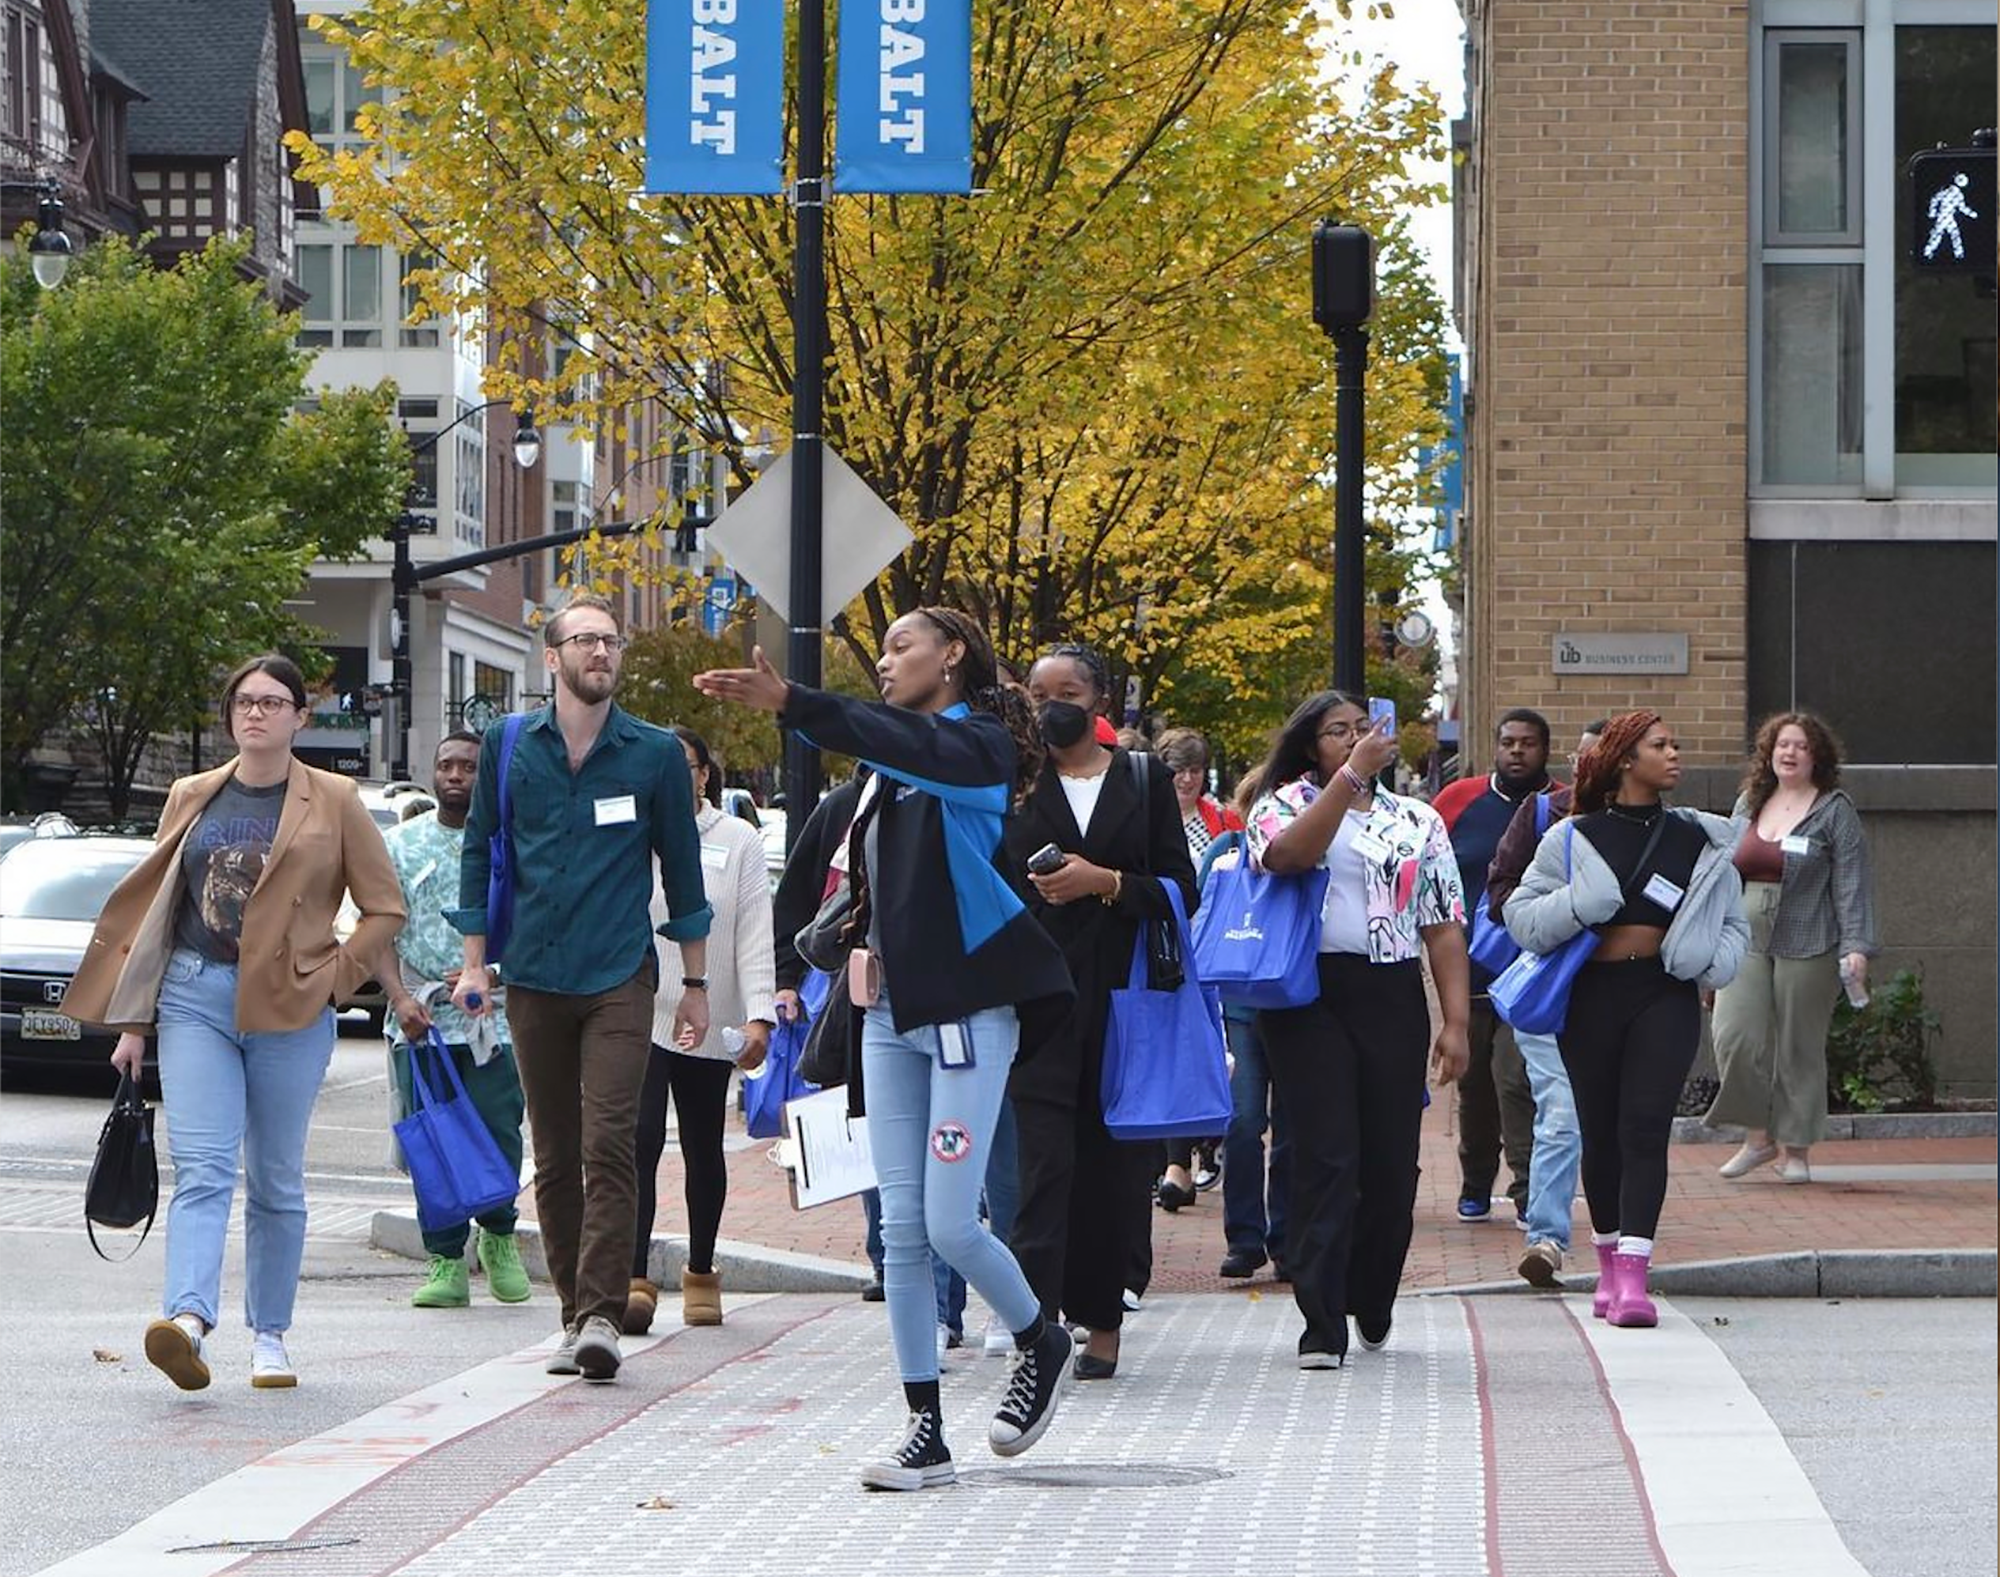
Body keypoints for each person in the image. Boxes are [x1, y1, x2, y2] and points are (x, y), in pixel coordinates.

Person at [694, 611, 1076, 1492]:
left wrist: (794, 701)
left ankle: (1038, 1336)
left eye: (901, 646)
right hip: (889, 1018)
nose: (888, 660)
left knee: (949, 1220)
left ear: (952, 655)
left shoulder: (975, 749)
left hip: (972, 1015)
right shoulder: (882, 773)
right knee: (900, 1231)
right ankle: (925, 1429)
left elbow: (898, 737)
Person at [65, 654, 405, 1390]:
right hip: (194, 993)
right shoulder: (193, 792)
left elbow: (386, 909)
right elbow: (163, 911)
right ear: (230, 716)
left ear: (299, 717)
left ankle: (271, 1335)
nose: (257, 713)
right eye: (245, 701)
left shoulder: (337, 799)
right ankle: (187, 1320)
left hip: (292, 1004)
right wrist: (135, 1020)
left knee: (276, 1178)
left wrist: (334, 981)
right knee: (203, 1166)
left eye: (274, 702)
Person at [450, 594, 713, 1384]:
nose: (601, 651)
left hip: (619, 973)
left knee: (612, 1141)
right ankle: (574, 1312)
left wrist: (696, 982)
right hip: (532, 973)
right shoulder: (507, 745)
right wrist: (473, 962)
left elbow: (684, 871)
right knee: (556, 1154)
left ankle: (601, 1312)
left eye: (611, 640)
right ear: (552, 657)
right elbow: (479, 850)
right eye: (586, 639)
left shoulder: (656, 753)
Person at [1242, 691, 1471, 1368]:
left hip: (1390, 991)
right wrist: (1346, 781)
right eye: (1335, 732)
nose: (1351, 739)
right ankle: (1320, 1317)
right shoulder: (1282, 804)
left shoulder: (1417, 820)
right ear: (1311, 745)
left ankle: (1373, 1291)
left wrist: (1455, 1020)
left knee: (1390, 1161)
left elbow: (1442, 922)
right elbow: (1286, 856)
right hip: (1307, 991)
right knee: (1324, 1152)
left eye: (1359, 729)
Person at [1503, 710, 1748, 1328]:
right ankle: (1609, 1266)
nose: (1674, 754)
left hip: (1663, 992)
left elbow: (1733, 921)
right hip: (1591, 996)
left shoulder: (1700, 837)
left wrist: (1714, 961)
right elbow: (1521, 917)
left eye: (1674, 742)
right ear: (1624, 761)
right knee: (1601, 1130)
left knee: (1645, 1127)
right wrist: (1581, 905)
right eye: (1659, 745)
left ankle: (1636, 1277)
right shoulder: (1571, 836)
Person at [1004, 643, 1197, 1382]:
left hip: (1125, 1001)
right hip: (1037, 1001)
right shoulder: (1016, 786)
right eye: (1038, 690)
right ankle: (1036, 1323)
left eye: (1068, 690)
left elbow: (1181, 889)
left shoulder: (1141, 780)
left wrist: (1105, 881)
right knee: (1042, 1165)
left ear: (1098, 701)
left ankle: (1104, 1320)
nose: (1052, 703)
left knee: (1113, 1167)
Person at [624, 726, 778, 1333]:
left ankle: (702, 1269)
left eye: (681, 763)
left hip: (709, 1011)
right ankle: (632, 1276)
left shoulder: (738, 839)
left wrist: (758, 1012)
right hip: (640, 1006)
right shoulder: (634, 830)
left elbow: (752, 931)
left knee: (702, 1144)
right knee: (636, 1140)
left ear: (704, 773)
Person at [381, 731, 532, 1311]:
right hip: (420, 1020)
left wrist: (490, 975)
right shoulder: (400, 845)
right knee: (434, 1139)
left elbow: (532, 922)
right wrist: (399, 999)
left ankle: (498, 1238)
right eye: (446, 765)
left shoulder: (508, 845)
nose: (455, 776)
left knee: (497, 1129)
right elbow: (376, 932)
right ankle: (445, 1258)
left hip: (494, 1020)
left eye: (469, 766)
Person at [1705, 713, 1877, 1185]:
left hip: (1811, 935)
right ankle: (1757, 1138)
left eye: (1801, 746)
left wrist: (1857, 945)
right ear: (1769, 753)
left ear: (1816, 755)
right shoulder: (1750, 801)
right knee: (1734, 1033)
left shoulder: (1834, 809)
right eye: (1782, 744)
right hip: (1745, 930)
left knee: (1799, 1047)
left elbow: (1851, 883)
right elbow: (1721, 870)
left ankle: (1795, 1148)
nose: (1790, 752)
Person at [1485, 719, 1603, 1286]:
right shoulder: (1542, 816)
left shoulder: (1660, 828)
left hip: (1625, 993)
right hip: (1552, 986)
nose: (1587, 769)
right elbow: (1500, 896)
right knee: (1560, 1111)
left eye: (1599, 759)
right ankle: (1547, 1234)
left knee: (1616, 1117)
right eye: (1581, 759)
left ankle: (1622, 1234)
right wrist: (1567, 913)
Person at [1430, 709, 1551, 1226]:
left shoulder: (1560, 805)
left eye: (1527, 743)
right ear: (1495, 746)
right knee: (1475, 1085)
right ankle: (1476, 1182)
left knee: (1516, 1078)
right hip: (1472, 970)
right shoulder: (1458, 801)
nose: (1517, 751)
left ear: (1545, 749)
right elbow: (1429, 870)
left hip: (1536, 972)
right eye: (1508, 742)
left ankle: (1527, 1188)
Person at [770, 775, 885, 1300]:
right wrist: (786, 981)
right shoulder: (843, 805)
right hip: (839, 984)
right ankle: (887, 1255)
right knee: (865, 1120)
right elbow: (796, 899)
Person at [1151, 726, 1238, 1208]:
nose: (1186, 779)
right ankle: (1175, 1164)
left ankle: (1204, 1145)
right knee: (1173, 1052)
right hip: (1163, 949)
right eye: (1178, 769)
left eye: (1195, 769)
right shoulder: (1145, 815)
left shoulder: (1222, 821)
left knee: (1212, 1053)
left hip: (1212, 950)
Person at [1200, 823, 1291, 1281]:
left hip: (1294, 1003)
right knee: (1242, 1121)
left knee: (1294, 1127)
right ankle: (1245, 1239)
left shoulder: (1312, 847)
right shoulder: (1227, 849)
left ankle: (1289, 1239)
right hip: (1238, 1004)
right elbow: (1204, 911)